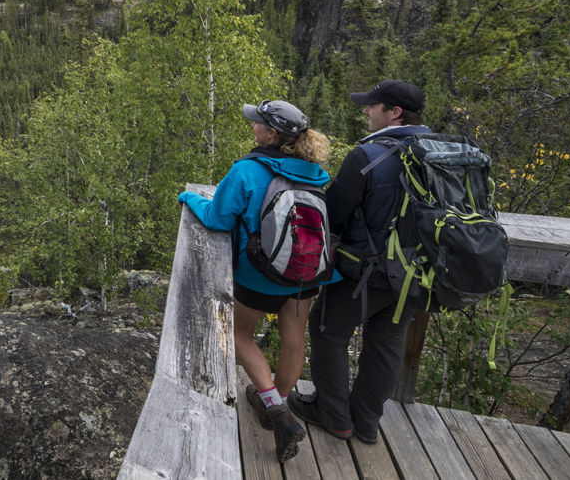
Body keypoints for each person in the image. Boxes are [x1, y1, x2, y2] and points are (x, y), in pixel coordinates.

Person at [178, 99, 334, 463]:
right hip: (306, 274)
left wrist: (190, 198)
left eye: (258, 124)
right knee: (294, 342)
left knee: (239, 335)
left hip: (259, 274)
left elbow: (217, 218)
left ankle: (276, 410)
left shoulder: (247, 172)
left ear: (272, 133)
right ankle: (274, 404)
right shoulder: (315, 172)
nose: (253, 127)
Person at [288, 80, 430, 445]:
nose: (366, 111)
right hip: (419, 273)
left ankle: (333, 415)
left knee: (327, 330)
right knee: (387, 343)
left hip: (369, 273)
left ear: (394, 112)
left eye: (373, 105)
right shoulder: (436, 150)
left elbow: (333, 211)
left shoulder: (368, 156)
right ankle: (366, 422)